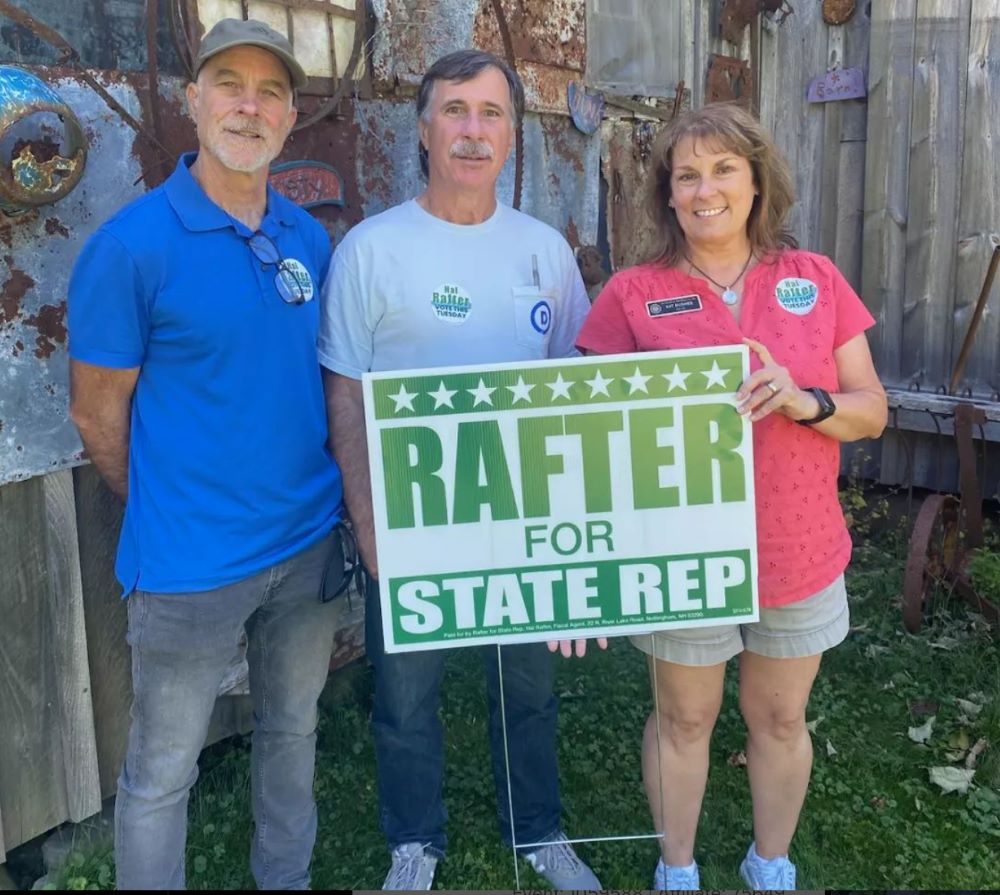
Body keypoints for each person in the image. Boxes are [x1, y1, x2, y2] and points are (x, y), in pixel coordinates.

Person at [577, 102, 887, 890]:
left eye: (723, 169)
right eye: (687, 174)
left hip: (798, 547)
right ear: (667, 194)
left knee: (780, 716)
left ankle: (770, 861)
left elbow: (871, 409)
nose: (705, 188)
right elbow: (583, 427)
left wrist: (806, 399)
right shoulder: (632, 294)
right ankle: (675, 866)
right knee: (684, 718)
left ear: (756, 181)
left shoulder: (814, 280)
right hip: (683, 553)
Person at [67, 19, 348, 890]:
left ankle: (285, 879)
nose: (248, 106)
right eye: (229, 84)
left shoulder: (307, 238)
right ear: (193, 101)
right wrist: (165, 500)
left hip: (305, 546)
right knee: (161, 771)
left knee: (292, 730)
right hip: (190, 565)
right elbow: (96, 413)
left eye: (269, 92)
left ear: (292, 116)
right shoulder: (131, 248)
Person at [318, 49, 601, 892]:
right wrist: (370, 525)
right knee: (404, 693)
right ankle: (415, 840)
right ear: (423, 128)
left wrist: (580, 535)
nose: (473, 132)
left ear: (513, 133)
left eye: (491, 114)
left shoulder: (544, 251)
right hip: (414, 521)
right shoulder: (372, 250)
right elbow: (345, 399)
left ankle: (538, 828)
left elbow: (577, 393)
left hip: (525, 518)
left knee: (529, 685)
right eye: (455, 112)